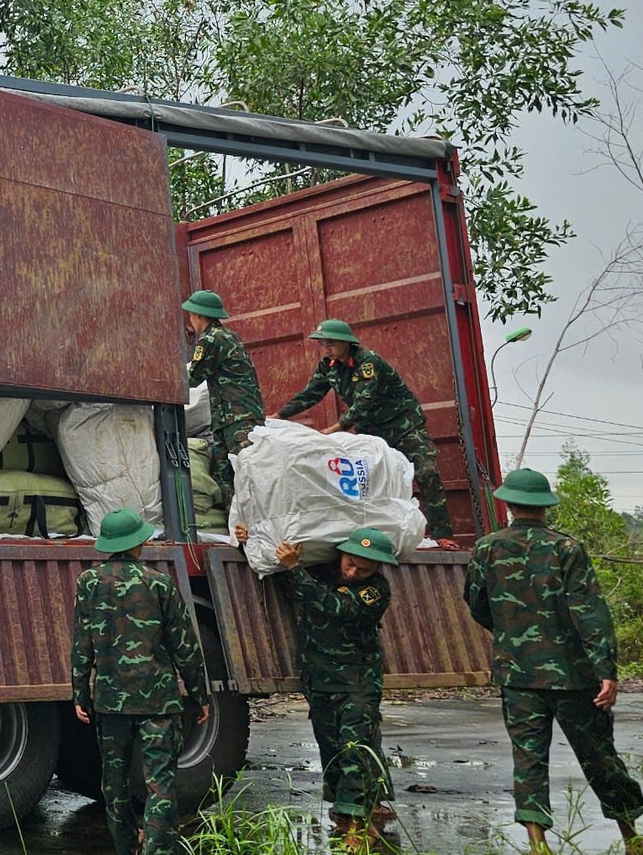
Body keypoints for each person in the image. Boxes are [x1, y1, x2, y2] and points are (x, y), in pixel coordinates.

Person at [465, 468, 643, 855]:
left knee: (528, 759)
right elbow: (590, 612)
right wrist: (606, 671)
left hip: (517, 676)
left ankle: (539, 846)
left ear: (509, 503)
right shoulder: (567, 549)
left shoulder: (487, 548)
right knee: (599, 756)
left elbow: (477, 604)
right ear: (544, 507)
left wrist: (510, 635)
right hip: (573, 677)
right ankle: (633, 838)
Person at [72, 508, 210, 855]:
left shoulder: (88, 583)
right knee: (159, 784)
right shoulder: (159, 583)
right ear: (141, 542)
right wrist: (200, 694)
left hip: (110, 701)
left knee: (113, 785)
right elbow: (185, 645)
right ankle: (157, 851)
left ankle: (125, 847)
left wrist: (79, 694)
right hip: (158, 703)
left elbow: (81, 643)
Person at [276, 318, 458, 548]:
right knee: (366, 482)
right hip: (372, 432)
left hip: (404, 425)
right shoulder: (328, 367)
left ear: (346, 343)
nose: (327, 348)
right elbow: (310, 395)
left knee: (426, 472)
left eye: (331, 343)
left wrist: (332, 430)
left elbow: (363, 403)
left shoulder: (367, 363)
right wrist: (279, 416)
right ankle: (376, 537)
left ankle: (443, 534)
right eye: (324, 344)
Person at [269, 526, 397, 849]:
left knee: (354, 747)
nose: (353, 572)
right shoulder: (320, 573)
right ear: (341, 553)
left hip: (357, 681)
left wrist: (294, 568)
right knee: (331, 751)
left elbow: (337, 608)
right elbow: (292, 587)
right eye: (349, 563)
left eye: (362, 569)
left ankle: (357, 825)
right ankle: (346, 817)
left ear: (376, 569)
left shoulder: (376, 590)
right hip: (318, 678)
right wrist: (247, 541)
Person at [181, 290, 264, 507]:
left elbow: (191, 379)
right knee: (226, 474)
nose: (190, 319)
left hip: (237, 419)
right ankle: (236, 527)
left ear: (199, 315)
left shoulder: (211, 339)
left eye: (191, 315)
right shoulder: (228, 335)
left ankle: (248, 527)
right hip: (230, 418)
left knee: (243, 476)